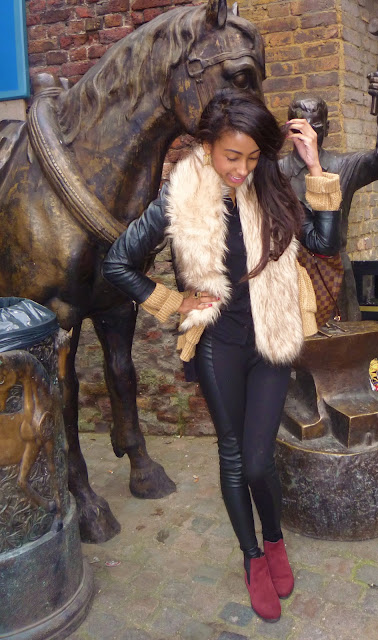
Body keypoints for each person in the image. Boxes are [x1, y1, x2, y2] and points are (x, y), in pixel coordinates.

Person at [102, 88, 341, 622]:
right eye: (232, 156)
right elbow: (117, 264)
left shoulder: (270, 186)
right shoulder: (179, 194)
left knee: (259, 460)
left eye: (252, 157)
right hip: (219, 345)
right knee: (233, 455)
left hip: (271, 337)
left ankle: (274, 540)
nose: (241, 169)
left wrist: (314, 167)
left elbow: (324, 243)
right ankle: (252, 557)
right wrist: (174, 301)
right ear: (208, 144)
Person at [279, 71, 378, 320]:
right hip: (289, 278)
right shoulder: (276, 172)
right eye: (302, 130)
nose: (309, 138)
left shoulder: (343, 166)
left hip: (335, 277)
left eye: (316, 129)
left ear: (327, 129)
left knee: (342, 341)